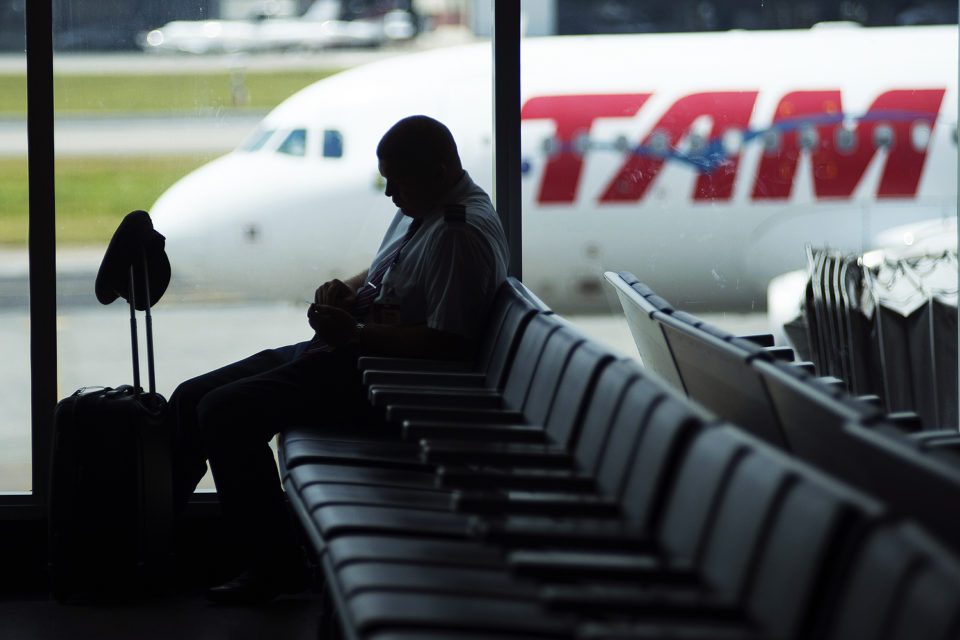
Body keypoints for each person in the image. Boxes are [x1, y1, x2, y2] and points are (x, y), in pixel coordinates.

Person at [167, 115, 509, 604]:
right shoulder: (429, 207)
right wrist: (345, 291)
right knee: (191, 397)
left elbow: (451, 343)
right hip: (352, 352)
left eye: (398, 179)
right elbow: (388, 269)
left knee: (223, 411)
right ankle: (167, 544)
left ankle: (275, 564)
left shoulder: (459, 233)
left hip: (385, 382)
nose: (389, 192)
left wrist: (355, 334)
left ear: (437, 170)